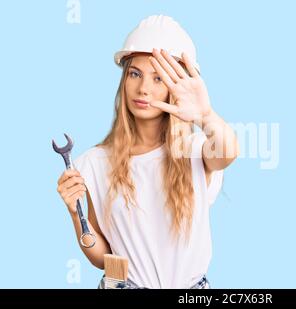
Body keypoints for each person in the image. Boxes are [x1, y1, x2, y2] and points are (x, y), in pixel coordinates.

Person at [56, 15, 239, 288]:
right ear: (124, 80)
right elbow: (106, 259)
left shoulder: (197, 150)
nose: (143, 88)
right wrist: (75, 213)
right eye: (135, 74)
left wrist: (206, 115)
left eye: (158, 78)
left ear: (176, 87)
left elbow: (229, 151)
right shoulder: (93, 163)